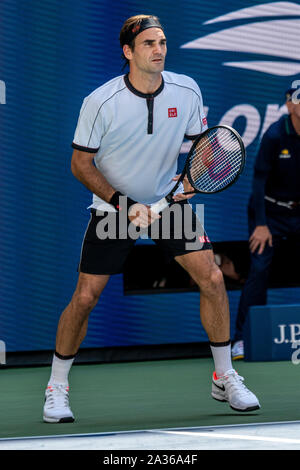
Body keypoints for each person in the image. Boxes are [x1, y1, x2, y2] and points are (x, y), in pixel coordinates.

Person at [43, 14, 260, 423]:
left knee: (212, 278)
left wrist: (195, 178)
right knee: (86, 298)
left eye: (161, 42)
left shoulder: (187, 89)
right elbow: (80, 164)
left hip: (168, 205)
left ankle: (225, 375)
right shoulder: (101, 102)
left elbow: (203, 148)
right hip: (113, 210)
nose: (158, 49)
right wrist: (126, 205)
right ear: (128, 52)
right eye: (148, 43)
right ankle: (56, 386)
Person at [232, 86, 300, 360]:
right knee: (259, 267)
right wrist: (261, 224)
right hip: (269, 213)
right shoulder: (274, 135)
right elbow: (258, 181)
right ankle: (241, 339)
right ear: (290, 105)